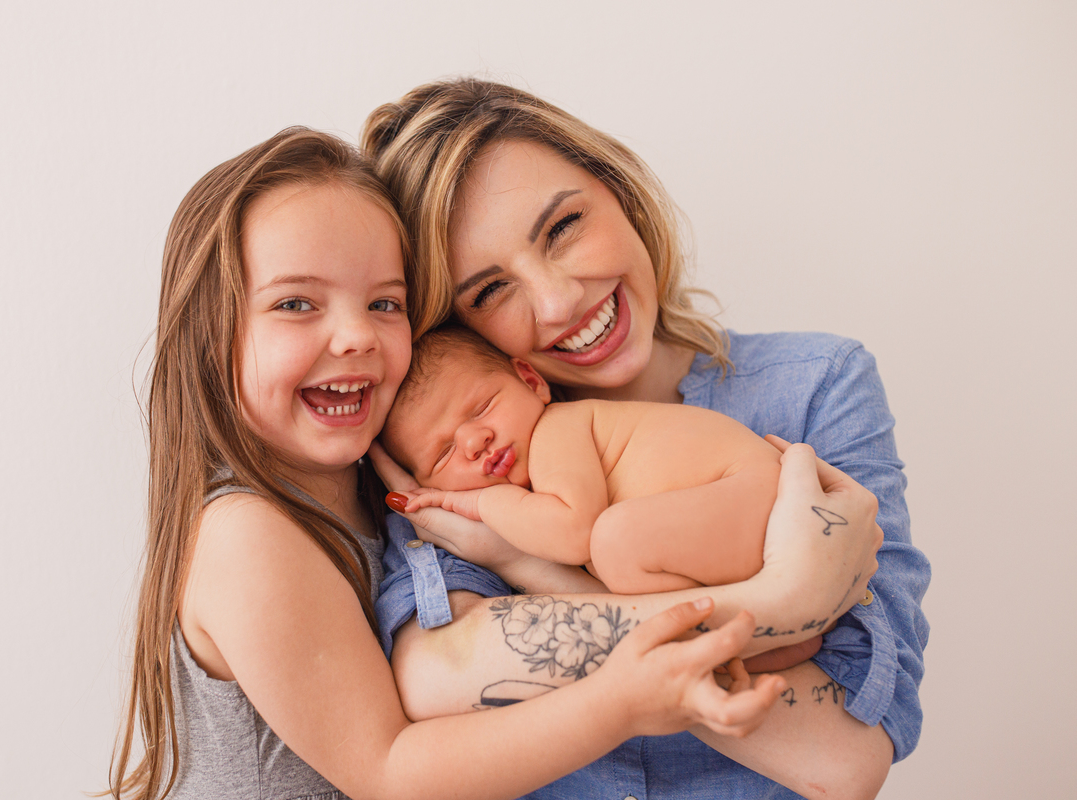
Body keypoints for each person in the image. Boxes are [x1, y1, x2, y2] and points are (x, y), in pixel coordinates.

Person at [107, 127, 818, 800]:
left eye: (385, 302)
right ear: (208, 339)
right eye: (296, 303)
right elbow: (388, 772)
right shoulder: (247, 536)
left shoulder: (376, 487)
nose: (356, 335)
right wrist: (621, 703)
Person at [361, 78, 930, 799]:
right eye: (490, 290)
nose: (559, 299)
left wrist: (532, 570)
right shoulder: (460, 456)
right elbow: (434, 677)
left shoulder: (817, 385)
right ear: (456, 327)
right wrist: (787, 596)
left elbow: (844, 762)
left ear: (618, 189)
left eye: (562, 227)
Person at [382, 324, 782, 594]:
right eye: (444, 453)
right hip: (740, 514)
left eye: (482, 407)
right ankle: (757, 639)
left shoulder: (556, 430)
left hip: (750, 493)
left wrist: (479, 502)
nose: (474, 441)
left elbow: (573, 535)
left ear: (532, 381)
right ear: (426, 486)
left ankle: (752, 626)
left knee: (614, 542)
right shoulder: (539, 498)